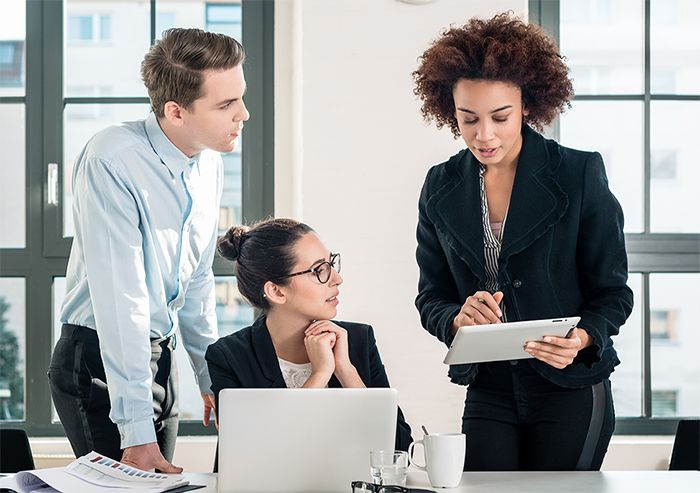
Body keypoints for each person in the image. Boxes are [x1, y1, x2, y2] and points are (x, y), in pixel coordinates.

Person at [412, 13, 633, 471]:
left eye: (500, 117)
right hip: (488, 386)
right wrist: (456, 318)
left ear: (528, 104)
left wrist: (582, 336)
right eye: (467, 118)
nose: (483, 134)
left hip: (569, 384)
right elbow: (430, 296)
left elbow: (613, 293)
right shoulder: (440, 185)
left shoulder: (578, 174)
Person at [48, 28, 249, 473]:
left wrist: (211, 375)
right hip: (98, 360)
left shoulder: (208, 163)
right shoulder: (112, 158)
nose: (244, 114)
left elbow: (196, 280)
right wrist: (136, 430)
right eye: (226, 105)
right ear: (175, 111)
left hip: (159, 354)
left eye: (240, 97)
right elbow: (123, 301)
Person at [205, 218, 413, 456]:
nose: (337, 278)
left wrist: (345, 371)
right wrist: (320, 374)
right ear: (276, 291)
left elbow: (400, 449)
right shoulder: (230, 356)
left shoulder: (358, 340)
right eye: (319, 270)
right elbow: (257, 455)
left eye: (331, 264)